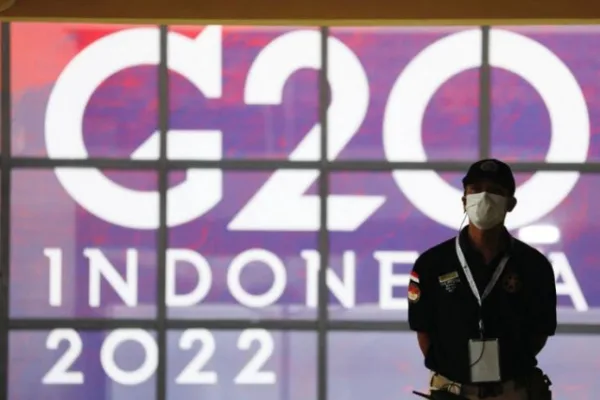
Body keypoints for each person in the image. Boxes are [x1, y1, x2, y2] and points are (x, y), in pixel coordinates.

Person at [408, 159, 557, 400]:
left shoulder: (534, 265)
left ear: (510, 204)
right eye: (475, 190)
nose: (484, 197)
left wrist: (507, 370)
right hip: (452, 392)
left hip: (512, 392)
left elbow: (539, 332)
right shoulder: (431, 264)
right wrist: (454, 371)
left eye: (495, 191)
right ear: (464, 200)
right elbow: (423, 330)